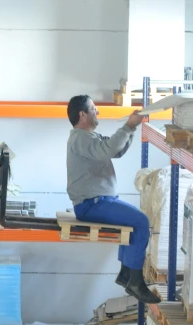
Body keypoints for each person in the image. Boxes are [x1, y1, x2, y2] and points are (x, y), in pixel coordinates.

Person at [66, 94, 160, 305]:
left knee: (135, 222)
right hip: (91, 204)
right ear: (82, 114)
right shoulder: (81, 138)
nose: (97, 112)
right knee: (141, 222)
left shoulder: (89, 137)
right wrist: (128, 126)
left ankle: (127, 275)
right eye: (93, 109)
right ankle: (134, 280)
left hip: (98, 201)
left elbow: (115, 150)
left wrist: (132, 129)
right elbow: (109, 149)